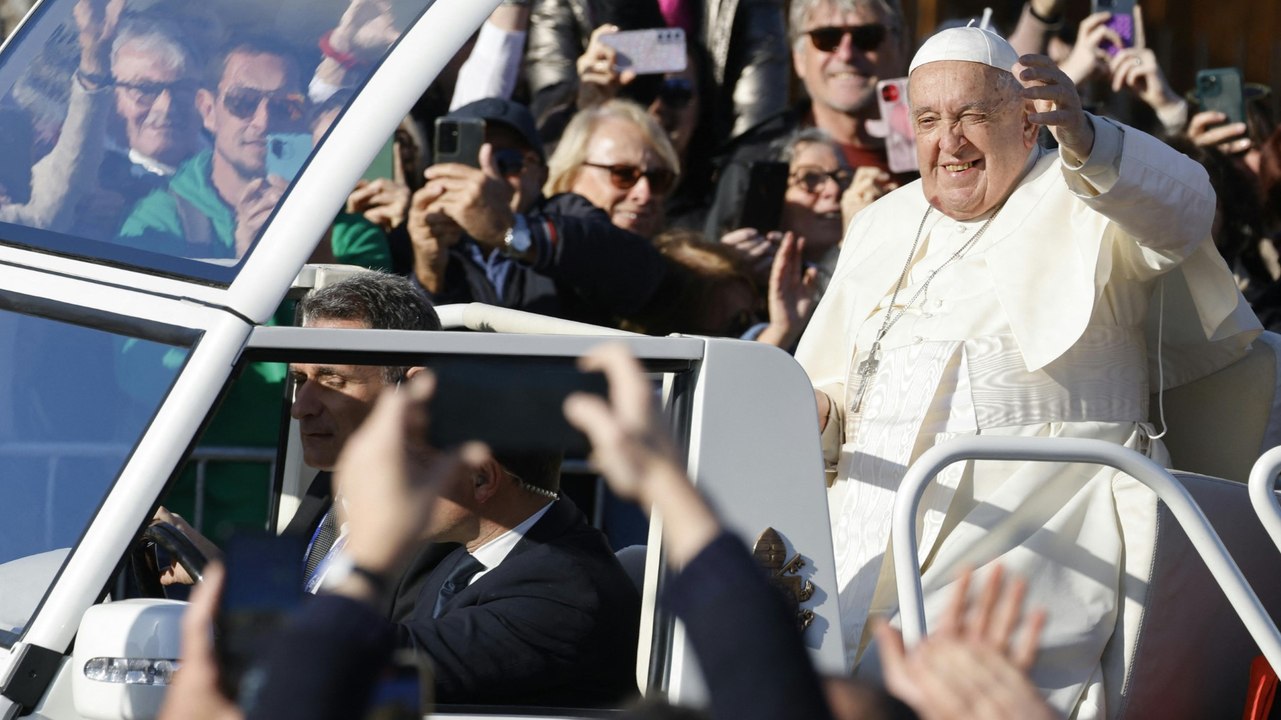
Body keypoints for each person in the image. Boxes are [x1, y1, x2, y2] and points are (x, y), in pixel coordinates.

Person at [794, 25, 1260, 715]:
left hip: (1040, 521)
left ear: (1024, 119)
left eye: (972, 116)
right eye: (928, 120)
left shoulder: (1088, 190)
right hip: (872, 516)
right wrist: (825, 417)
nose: (948, 142)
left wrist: (1087, 137)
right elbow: (835, 385)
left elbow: (1186, 211)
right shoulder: (880, 223)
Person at [156, 272, 443, 612]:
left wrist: (222, 581)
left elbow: (372, 645)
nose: (300, 408)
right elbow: (295, 600)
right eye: (299, 380)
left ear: (413, 392)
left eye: (333, 380)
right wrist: (207, 559)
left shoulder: (442, 520)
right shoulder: (330, 485)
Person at [409, 96, 670, 326]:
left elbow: (639, 272)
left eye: (507, 163)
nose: (487, 180)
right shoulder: (430, 234)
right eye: (472, 165)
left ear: (542, 174)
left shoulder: (568, 211)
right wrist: (430, 272)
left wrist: (508, 232)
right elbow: (415, 354)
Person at [703, 0, 904, 241]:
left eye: (867, 36)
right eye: (826, 38)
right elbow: (708, 269)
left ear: (901, 47)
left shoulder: (940, 147)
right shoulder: (754, 161)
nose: (847, 53)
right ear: (798, 57)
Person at [117, 37, 308, 258]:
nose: (263, 121)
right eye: (243, 101)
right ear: (208, 110)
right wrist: (245, 259)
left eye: (284, 105)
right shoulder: (157, 221)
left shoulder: (328, 201)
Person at [544, 98, 680, 239]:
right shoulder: (528, 253)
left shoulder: (678, 259)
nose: (644, 195)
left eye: (657, 179)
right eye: (623, 174)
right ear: (570, 175)